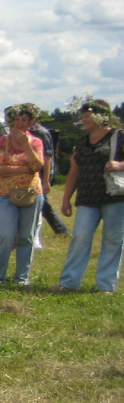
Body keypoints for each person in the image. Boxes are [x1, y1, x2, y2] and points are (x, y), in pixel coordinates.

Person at [55, 99, 124, 293]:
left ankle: (105, 285)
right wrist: (66, 198)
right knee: (80, 237)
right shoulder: (83, 142)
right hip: (87, 198)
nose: (83, 120)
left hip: (115, 198)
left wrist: (120, 165)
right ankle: (69, 282)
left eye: (87, 116)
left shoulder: (118, 137)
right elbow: (74, 172)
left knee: (112, 240)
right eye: (83, 116)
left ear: (100, 117)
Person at [0, 104, 45, 286]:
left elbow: (37, 166)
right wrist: (24, 168)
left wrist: (26, 146)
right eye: (17, 120)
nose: (20, 124)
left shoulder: (36, 142)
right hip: (6, 193)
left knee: (27, 236)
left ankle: (22, 277)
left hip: (31, 193)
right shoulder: (3, 142)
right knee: (6, 235)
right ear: (11, 122)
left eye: (25, 120)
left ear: (30, 123)